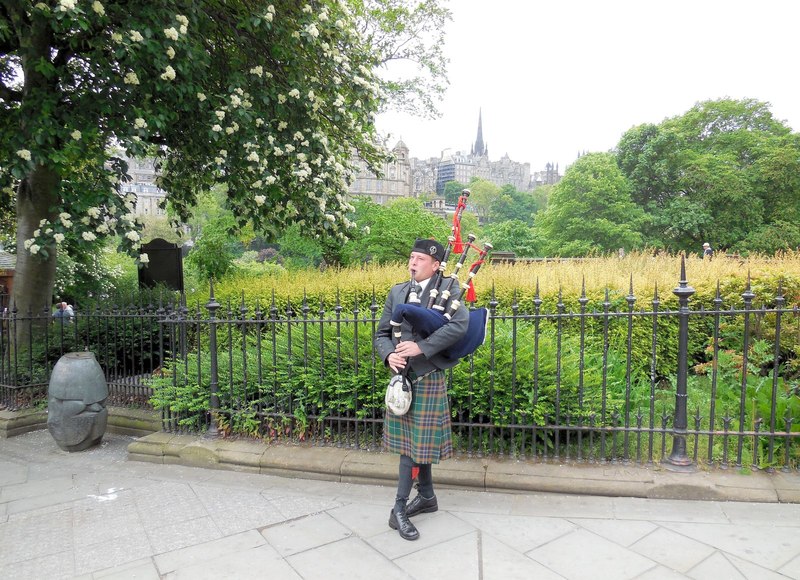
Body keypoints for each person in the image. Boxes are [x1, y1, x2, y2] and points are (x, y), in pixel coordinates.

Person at [374, 238, 469, 541]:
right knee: (413, 445)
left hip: (427, 376)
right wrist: (389, 354)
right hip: (401, 379)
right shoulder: (397, 291)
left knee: (413, 446)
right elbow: (381, 334)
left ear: (436, 264)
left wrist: (421, 347)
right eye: (411, 258)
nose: (413, 263)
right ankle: (426, 496)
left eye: (419, 259)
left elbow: (459, 325)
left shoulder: (449, 290)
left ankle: (398, 509)